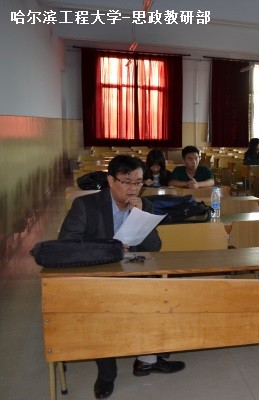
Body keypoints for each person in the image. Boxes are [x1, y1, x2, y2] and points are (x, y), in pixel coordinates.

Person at [58, 155, 185, 399]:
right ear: (110, 181)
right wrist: (110, 248)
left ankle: (147, 360)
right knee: (102, 311)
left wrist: (140, 216)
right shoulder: (86, 206)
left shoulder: (144, 205)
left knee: (162, 296)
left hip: (134, 273)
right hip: (98, 276)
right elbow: (67, 246)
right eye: (127, 182)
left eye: (138, 182)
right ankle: (107, 374)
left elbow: (154, 247)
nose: (134, 189)